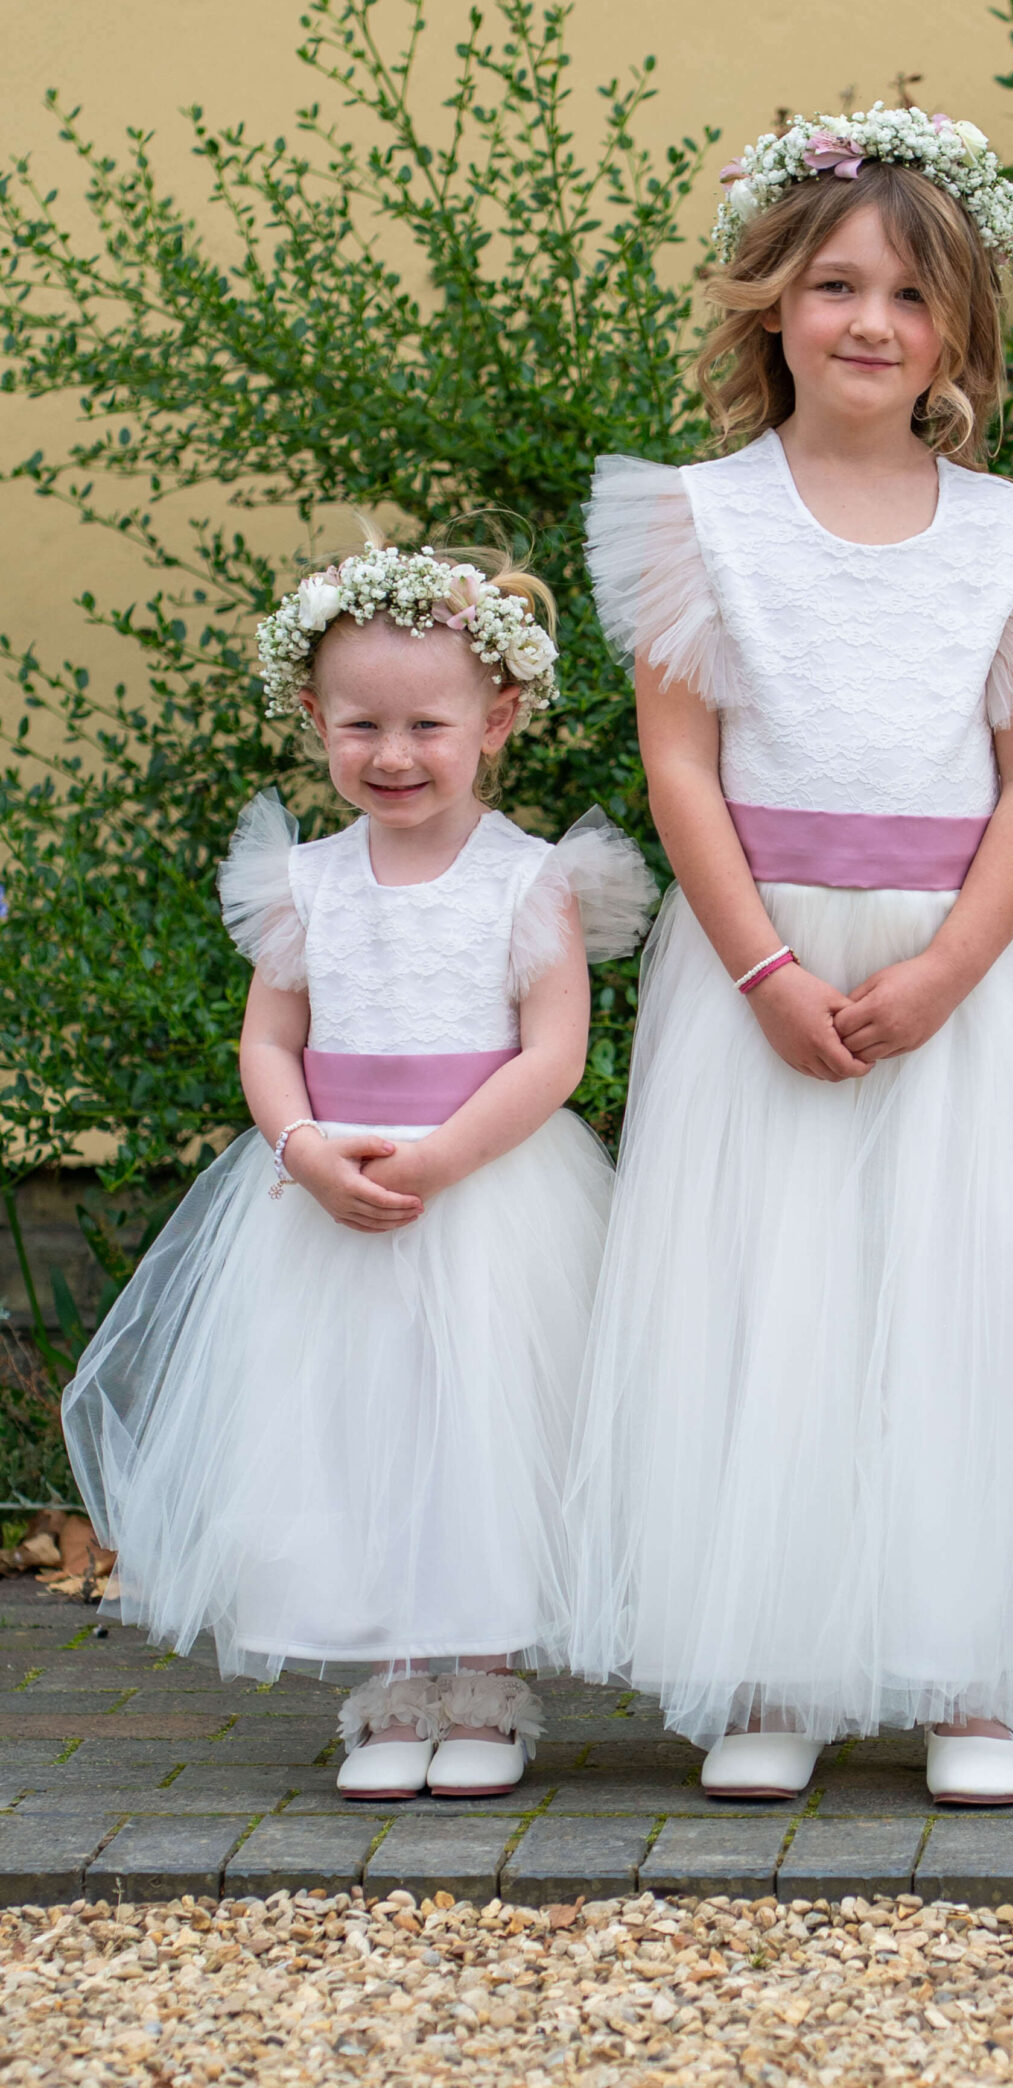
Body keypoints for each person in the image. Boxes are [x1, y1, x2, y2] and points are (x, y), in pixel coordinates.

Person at [567, 106, 1013, 1807]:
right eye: (834, 285)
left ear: (958, 332)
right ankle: (770, 1662)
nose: (869, 323)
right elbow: (681, 766)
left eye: (910, 295)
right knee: (763, 1303)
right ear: (771, 300)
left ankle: (971, 1666)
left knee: (966, 1301)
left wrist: (955, 965)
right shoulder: (696, 519)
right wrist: (762, 973)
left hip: (960, 977)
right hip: (759, 968)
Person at [64, 537, 654, 1800]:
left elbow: (554, 1054)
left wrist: (440, 1158)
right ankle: (392, 1681)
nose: (393, 754)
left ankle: (483, 1682)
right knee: (358, 1429)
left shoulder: (531, 880)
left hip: (487, 1197)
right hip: (330, 1202)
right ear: (313, 717)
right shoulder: (306, 884)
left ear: (497, 720)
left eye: (427, 725)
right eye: (361, 725)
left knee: (482, 1431)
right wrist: (303, 1148)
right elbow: (269, 1042)